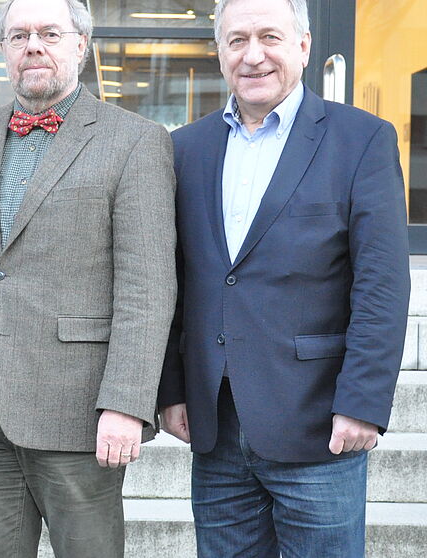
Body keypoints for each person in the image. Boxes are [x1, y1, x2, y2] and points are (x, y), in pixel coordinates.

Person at [157, 0, 410, 556]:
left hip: (318, 425)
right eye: (237, 40)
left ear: (304, 45)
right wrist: (172, 388)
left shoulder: (362, 140)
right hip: (216, 427)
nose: (253, 56)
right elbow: (172, 281)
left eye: (269, 37)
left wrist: (363, 402)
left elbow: (382, 286)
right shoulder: (184, 149)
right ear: (219, 52)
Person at [0, 0, 176, 555]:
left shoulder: (135, 140)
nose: (33, 46)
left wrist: (127, 402)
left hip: (80, 411)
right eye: (18, 36)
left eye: (49, 33)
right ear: (4, 50)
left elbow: (147, 287)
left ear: (81, 45)